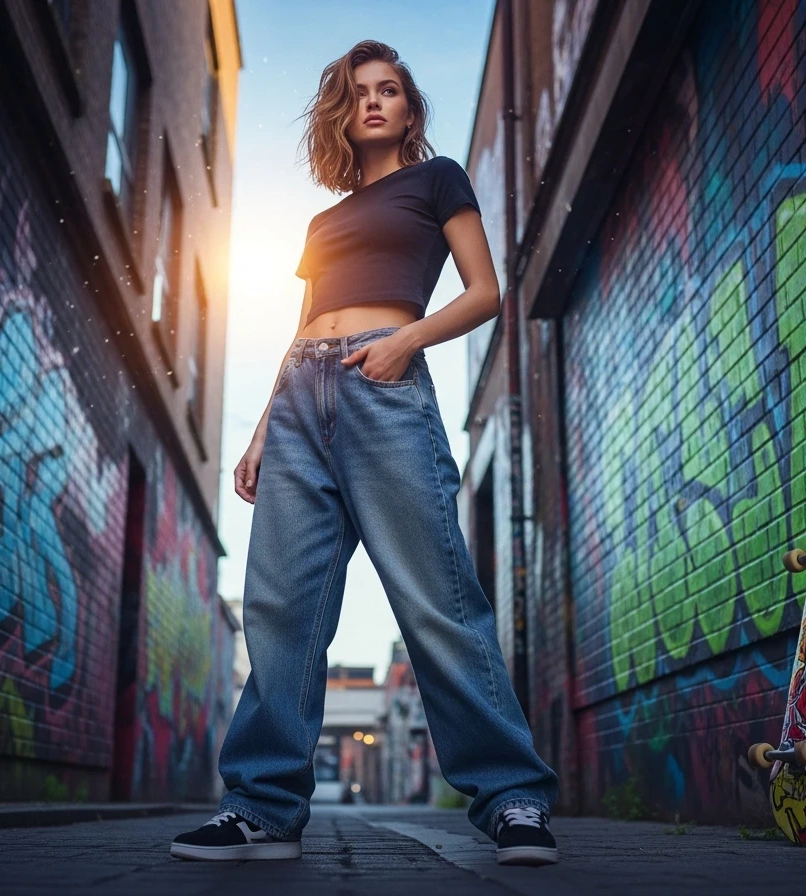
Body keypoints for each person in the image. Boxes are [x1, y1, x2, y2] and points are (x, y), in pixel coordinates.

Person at [170, 39, 559, 867]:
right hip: (300, 398)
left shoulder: (438, 179)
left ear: (410, 110)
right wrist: (259, 429)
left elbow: (486, 291)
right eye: (358, 93)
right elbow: (302, 322)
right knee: (281, 607)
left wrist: (406, 342)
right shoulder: (323, 220)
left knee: (435, 598)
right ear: (343, 113)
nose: (374, 102)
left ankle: (514, 799)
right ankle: (263, 809)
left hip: (384, 384)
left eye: (389, 91)